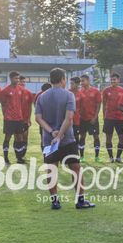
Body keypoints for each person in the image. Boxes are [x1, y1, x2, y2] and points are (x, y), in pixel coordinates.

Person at [35, 67, 94, 210]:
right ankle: (80, 201)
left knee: (51, 169)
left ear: (50, 80)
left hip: (49, 139)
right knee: (76, 168)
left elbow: (38, 118)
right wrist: (60, 135)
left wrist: (52, 132)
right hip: (67, 139)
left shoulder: (41, 96)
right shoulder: (69, 95)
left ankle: (55, 202)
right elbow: (69, 119)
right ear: (63, 79)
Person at [0, 71, 26, 164]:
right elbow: (2, 104)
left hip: (19, 118)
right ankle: (6, 158)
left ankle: (19, 158)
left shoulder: (21, 90)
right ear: (11, 79)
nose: (18, 80)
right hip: (9, 119)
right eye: (16, 78)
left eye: (18, 78)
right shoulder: (5, 90)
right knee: (7, 138)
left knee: (19, 138)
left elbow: (21, 103)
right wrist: (5, 115)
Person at [102, 72, 123, 163]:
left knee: (122, 137)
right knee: (108, 137)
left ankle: (118, 157)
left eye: (114, 79)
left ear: (118, 80)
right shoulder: (106, 90)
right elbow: (104, 104)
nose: (113, 81)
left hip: (120, 118)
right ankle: (111, 157)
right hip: (109, 118)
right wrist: (104, 117)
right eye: (111, 79)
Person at [78, 74, 102, 162]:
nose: (81, 83)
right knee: (82, 136)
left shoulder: (96, 91)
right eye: (81, 81)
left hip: (93, 119)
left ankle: (97, 156)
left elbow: (99, 105)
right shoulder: (80, 91)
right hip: (83, 119)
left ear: (88, 81)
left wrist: (95, 117)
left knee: (96, 137)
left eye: (83, 81)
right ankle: (82, 157)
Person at [19, 75, 35, 160]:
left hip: (25, 120)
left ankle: (23, 154)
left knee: (25, 137)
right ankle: (19, 154)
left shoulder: (28, 93)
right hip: (16, 120)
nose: (23, 83)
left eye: (24, 82)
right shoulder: (15, 92)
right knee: (19, 138)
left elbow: (30, 107)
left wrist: (29, 119)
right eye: (21, 81)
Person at [35, 82, 52, 151]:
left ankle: (49, 155)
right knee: (45, 139)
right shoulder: (39, 96)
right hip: (44, 121)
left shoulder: (52, 96)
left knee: (48, 139)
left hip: (46, 121)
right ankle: (46, 154)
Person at [69, 76, 82, 152]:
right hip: (67, 120)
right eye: (70, 83)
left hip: (76, 120)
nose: (70, 85)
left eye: (72, 83)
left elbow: (82, 107)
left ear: (77, 84)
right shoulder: (67, 92)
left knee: (76, 137)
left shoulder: (80, 94)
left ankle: (75, 154)